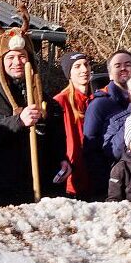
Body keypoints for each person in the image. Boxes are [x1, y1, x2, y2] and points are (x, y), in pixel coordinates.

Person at [0, 14, 68, 210]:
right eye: (11, 57)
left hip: (37, 188)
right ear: (1, 60)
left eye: (22, 56)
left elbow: (55, 135)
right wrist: (18, 121)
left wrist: (61, 159)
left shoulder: (41, 96)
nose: (17, 62)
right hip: (0, 189)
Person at [83, 49, 131, 200]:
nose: (123, 68)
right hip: (111, 185)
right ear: (110, 74)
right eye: (118, 66)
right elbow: (90, 147)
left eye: (128, 64)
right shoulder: (99, 104)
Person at [52, 51, 92, 199]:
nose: (84, 69)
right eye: (77, 66)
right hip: (73, 175)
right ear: (69, 73)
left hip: (95, 172)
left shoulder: (96, 99)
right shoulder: (60, 102)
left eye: (86, 64)